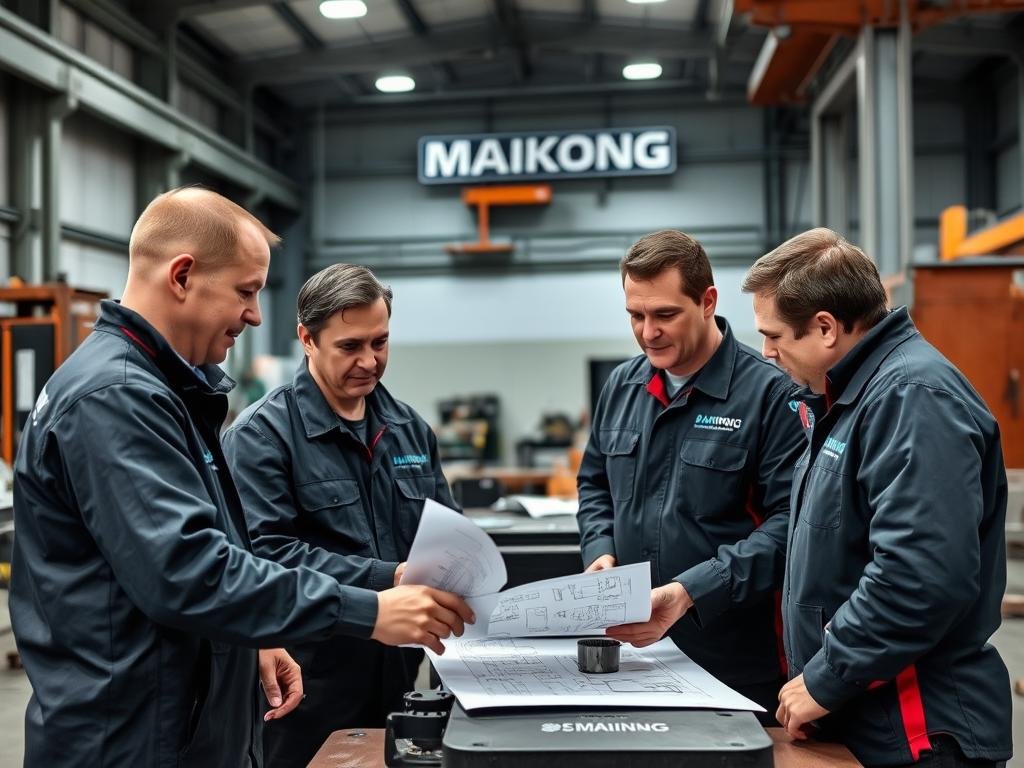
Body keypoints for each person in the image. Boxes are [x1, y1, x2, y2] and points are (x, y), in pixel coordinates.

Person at [10, 188, 473, 768]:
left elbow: (198, 555)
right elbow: (188, 572)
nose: (255, 314)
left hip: (173, 720)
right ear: (182, 276)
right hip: (131, 737)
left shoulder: (163, 393)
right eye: (246, 291)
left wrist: (245, 640)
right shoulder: (119, 398)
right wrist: (370, 609)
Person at [744, 228, 1012, 767]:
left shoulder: (911, 397)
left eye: (774, 335)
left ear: (825, 327)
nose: (767, 352)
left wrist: (825, 675)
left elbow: (921, 574)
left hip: (917, 729)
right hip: (866, 711)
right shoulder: (850, 397)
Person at [222, 264, 459, 768]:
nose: (370, 361)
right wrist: (389, 577)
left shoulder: (408, 429)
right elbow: (265, 555)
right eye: (350, 347)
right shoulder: (261, 438)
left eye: (380, 342)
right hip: (306, 684)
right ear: (307, 339)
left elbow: (446, 530)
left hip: (399, 677)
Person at [576, 229, 804, 717]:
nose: (647, 332)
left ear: (707, 301)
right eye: (635, 316)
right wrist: (600, 549)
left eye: (664, 314)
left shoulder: (770, 394)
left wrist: (693, 591)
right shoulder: (621, 386)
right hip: (633, 658)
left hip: (731, 663)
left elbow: (792, 527)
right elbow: (595, 483)